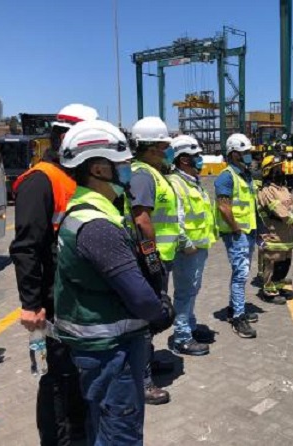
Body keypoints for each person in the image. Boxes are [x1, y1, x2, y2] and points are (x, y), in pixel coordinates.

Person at [54, 119, 174, 445]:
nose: (128, 169)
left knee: (101, 426)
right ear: (98, 168)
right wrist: (161, 310)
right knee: (121, 433)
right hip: (112, 351)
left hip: (101, 347)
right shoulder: (97, 225)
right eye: (121, 163)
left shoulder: (85, 209)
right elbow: (139, 297)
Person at [10, 103, 98, 446]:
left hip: (74, 298)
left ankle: (77, 433)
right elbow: (26, 248)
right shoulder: (41, 182)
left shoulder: (70, 178)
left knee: (73, 375)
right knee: (58, 379)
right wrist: (31, 304)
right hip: (52, 300)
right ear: (64, 138)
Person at [127, 116, 179, 405]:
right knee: (147, 317)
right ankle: (143, 380)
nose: (167, 149)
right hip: (151, 260)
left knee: (153, 315)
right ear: (152, 147)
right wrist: (152, 257)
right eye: (164, 145)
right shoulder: (144, 175)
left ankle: (147, 363)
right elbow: (142, 218)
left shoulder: (150, 172)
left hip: (160, 257)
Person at [166, 135, 216, 356]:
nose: (200, 160)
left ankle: (191, 326)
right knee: (185, 293)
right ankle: (182, 337)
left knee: (192, 290)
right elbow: (175, 218)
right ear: (184, 159)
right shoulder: (176, 183)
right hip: (188, 249)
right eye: (196, 156)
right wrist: (186, 243)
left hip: (199, 246)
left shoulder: (192, 181)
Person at [214, 133, 258, 338]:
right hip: (236, 233)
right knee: (241, 274)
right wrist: (236, 229)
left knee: (242, 272)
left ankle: (234, 308)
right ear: (233, 155)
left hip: (248, 231)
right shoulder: (226, 176)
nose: (248, 156)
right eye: (244, 153)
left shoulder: (246, 175)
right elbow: (224, 207)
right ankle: (238, 317)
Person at [257, 154, 293, 304]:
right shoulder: (267, 191)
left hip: (287, 234)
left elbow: (292, 204)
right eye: (277, 169)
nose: (280, 171)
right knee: (272, 262)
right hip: (274, 233)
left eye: (281, 168)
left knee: (284, 263)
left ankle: (278, 286)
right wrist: (291, 219)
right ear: (268, 171)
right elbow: (277, 208)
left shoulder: (283, 189)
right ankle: (269, 291)